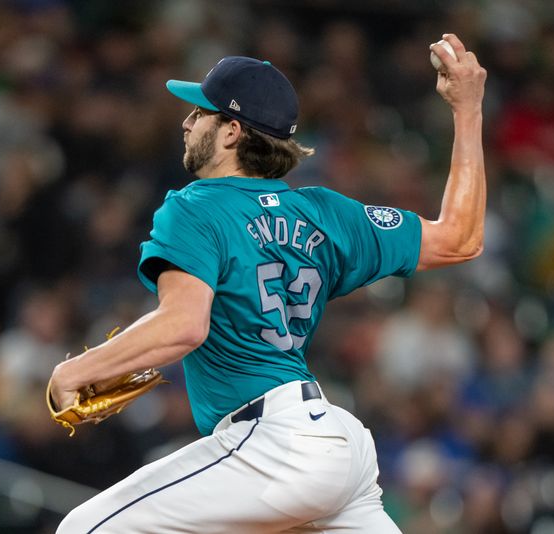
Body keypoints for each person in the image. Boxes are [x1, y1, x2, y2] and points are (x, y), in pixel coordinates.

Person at [50, 33, 486, 533]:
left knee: (82, 529)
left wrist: (77, 370)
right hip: (336, 444)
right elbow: (460, 238)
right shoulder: (326, 213)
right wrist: (468, 109)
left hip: (271, 444)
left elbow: (184, 326)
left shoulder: (196, 206)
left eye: (200, 113)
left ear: (232, 131)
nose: (187, 121)